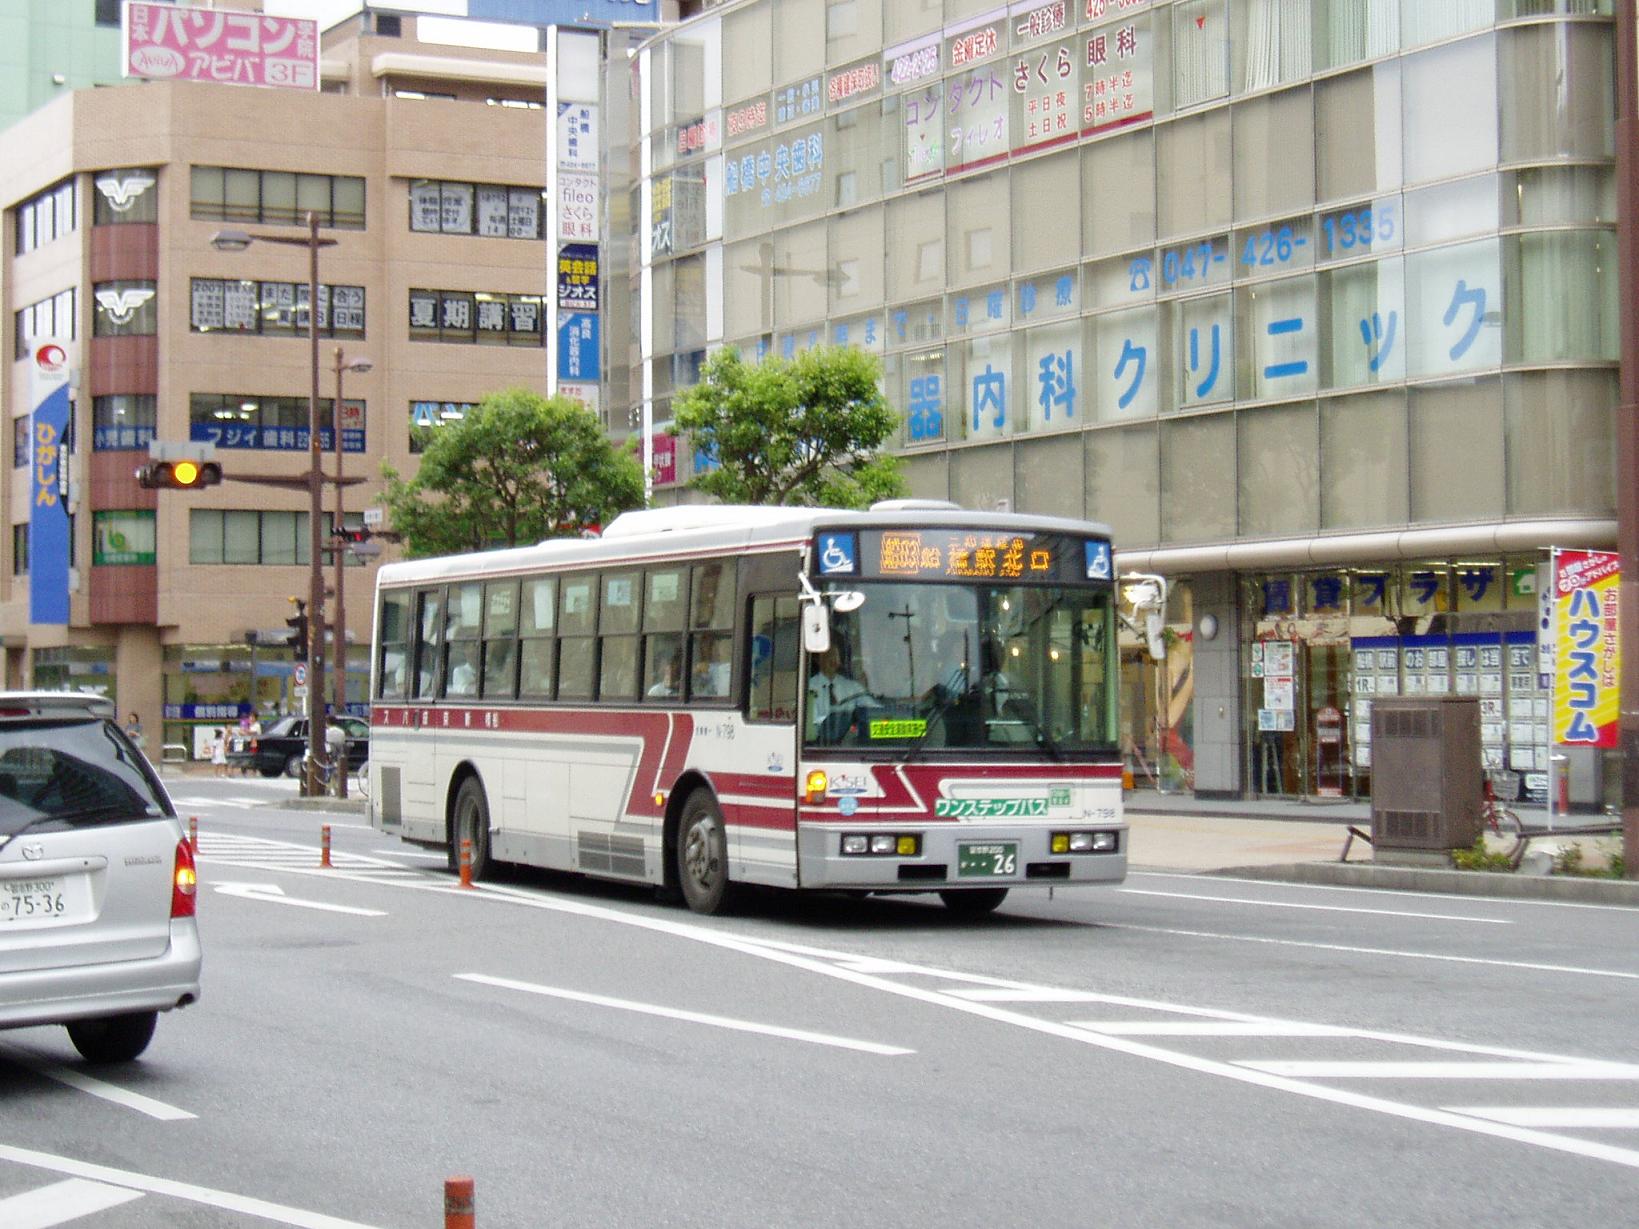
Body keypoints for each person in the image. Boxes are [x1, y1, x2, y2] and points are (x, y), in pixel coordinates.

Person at [808, 645, 874, 743]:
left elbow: (873, 710)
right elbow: (811, 723)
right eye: (828, 656)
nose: (833, 660)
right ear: (818, 660)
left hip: (849, 744)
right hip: (818, 744)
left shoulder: (852, 686)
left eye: (836, 656)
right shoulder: (809, 686)